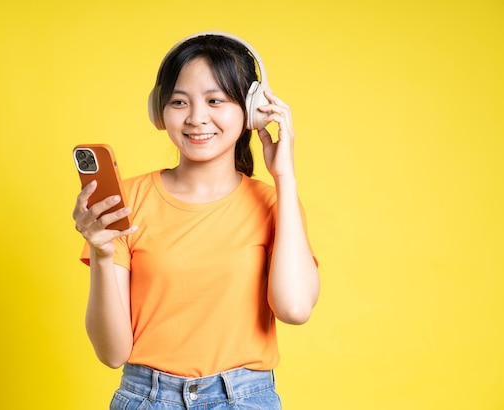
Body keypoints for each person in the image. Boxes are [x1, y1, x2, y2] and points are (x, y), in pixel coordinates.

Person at [72, 31, 320, 409]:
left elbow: (295, 308)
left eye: (215, 100)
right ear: (160, 111)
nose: (196, 118)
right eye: (179, 101)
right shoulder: (126, 201)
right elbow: (111, 353)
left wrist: (285, 177)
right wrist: (102, 254)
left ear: (252, 110)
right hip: (146, 398)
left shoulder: (273, 204)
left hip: (243, 399)